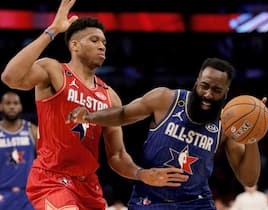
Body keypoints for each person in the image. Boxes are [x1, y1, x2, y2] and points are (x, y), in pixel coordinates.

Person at [1, 0, 188, 209]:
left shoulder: (110, 96)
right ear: (75, 45)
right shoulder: (54, 70)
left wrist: (141, 173)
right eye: (94, 40)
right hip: (52, 178)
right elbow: (10, 77)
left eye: (104, 42)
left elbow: (116, 155)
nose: (102, 46)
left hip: (88, 185)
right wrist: (53, 30)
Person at [67, 56, 268, 209]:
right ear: (197, 82)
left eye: (216, 90)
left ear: (225, 93)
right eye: (204, 86)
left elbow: (248, 179)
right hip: (149, 200)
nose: (208, 94)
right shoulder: (166, 99)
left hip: (196, 203)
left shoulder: (226, 123)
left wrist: (253, 133)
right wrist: (89, 116)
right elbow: (122, 114)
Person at [0, 91, 37, 210]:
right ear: (1, 106)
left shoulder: (32, 130)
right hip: (2, 194)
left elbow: (47, 159)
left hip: (28, 194)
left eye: (15, 103)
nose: (12, 106)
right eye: (8, 103)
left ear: (20, 106)